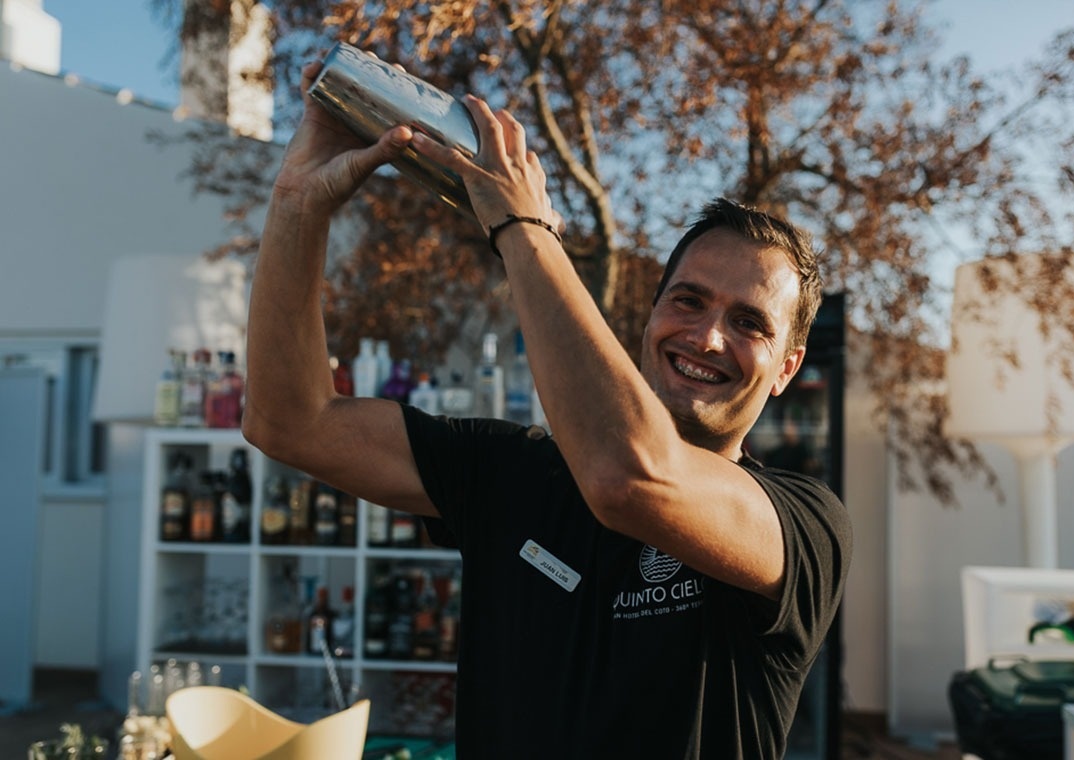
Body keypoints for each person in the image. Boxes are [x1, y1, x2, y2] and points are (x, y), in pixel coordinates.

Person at [242, 57, 852, 759]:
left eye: (750, 323)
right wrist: (297, 203)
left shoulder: (804, 526)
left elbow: (630, 477)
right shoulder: (511, 472)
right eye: (688, 300)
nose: (708, 336)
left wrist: (525, 229)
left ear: (787, 369)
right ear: (651, 315)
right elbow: (289, 422)